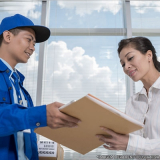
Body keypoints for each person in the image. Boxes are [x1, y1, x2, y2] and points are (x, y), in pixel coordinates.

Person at [0, 14, 80, 160]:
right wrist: (40, 115)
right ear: (8, 36)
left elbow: (23, 135)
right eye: (29, 40)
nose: (32, 48)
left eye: (34, 43)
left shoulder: (19, 85)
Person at [96, 37, 160, 155]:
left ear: (149, 55)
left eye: (130, 58)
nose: (126, 67)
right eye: (123, 64)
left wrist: (131, 144)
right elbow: (131, 144)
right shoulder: (132, 102)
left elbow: (133, 144)